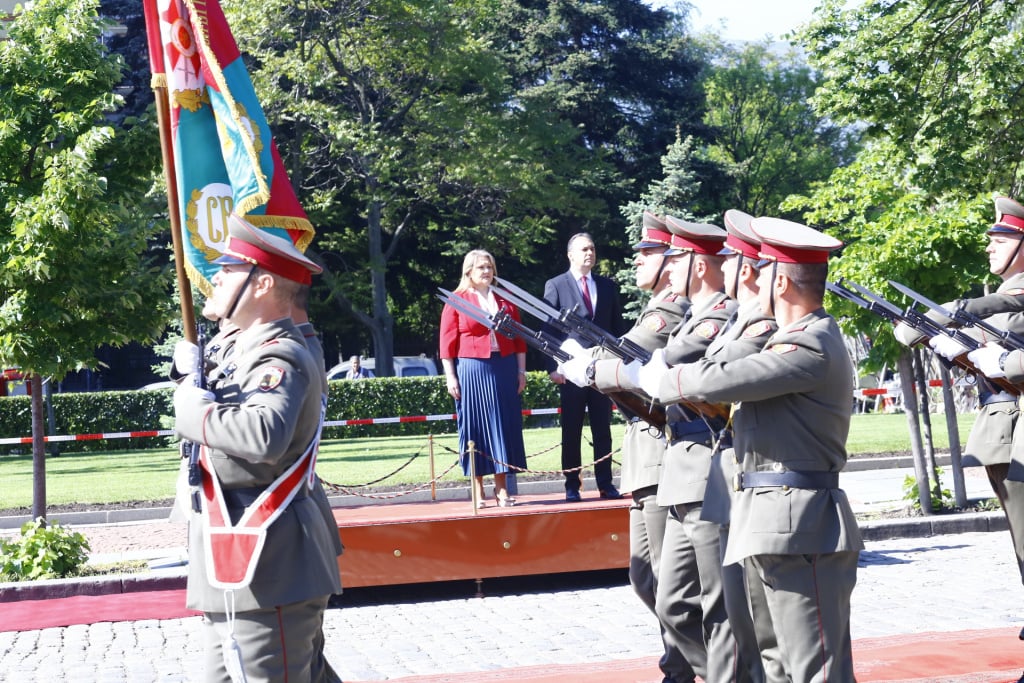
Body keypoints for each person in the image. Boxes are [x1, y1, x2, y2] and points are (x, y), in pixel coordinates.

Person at [641, 217, 862, 682]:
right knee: (773, 665)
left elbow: (723, 378)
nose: (749, 278)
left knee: (815, 670)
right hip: (767, 520)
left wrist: (662, 379)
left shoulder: (811, 342)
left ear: (781, 281)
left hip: (800, 523)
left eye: (760, 270)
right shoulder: (792, 338)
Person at [173, 213, 343, 682]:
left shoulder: (278, 353)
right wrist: (189, 376)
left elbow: (263, 435)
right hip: (237, 556)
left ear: (263, 283)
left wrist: (189, 410)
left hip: (270, 559)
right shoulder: (243, 347)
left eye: (228, 270)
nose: (216, 277)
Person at [558, 211, 695, 683]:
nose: (636, 260)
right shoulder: (655, 302)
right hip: (644, 453)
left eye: (648, 253)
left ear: (672, 260)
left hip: (664, 452)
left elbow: (626, 350)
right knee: (646, 576)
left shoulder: (671, 307)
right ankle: (683, 664)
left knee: (670, 582)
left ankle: (696, 667)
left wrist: (586, 362)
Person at [916, 197, 1024, 642]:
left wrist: (1005, 361)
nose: (990, 247)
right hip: (1003, 426)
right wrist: (964, 354)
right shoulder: (998, 297)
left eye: (1001, 239)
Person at [439, 249, 528, 508]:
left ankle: (502, 489)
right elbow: (446, 344)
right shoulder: (457, 300)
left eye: (489, 267)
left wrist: (520, 371)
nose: (487, 272)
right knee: (476, 427)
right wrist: (450, 377)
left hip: (505, 367)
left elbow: (520, 338)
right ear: (469, 271)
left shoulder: (505, 298)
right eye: (481, 268)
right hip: (472, 369)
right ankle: (477, 488)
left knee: (502, 425)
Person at [543, 232, 627, 502]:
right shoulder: (556, 286)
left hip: (601, 368)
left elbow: (617, 328)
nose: (589, 253)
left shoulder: (606, 286)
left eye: (592, 248)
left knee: (603, 428)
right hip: (571, 370)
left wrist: (621, 362)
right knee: (572, 429)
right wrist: (552, 368)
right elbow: (548, 331)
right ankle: (571, 484)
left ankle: (606, 484)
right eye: (583, 250)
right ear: (571, 255)